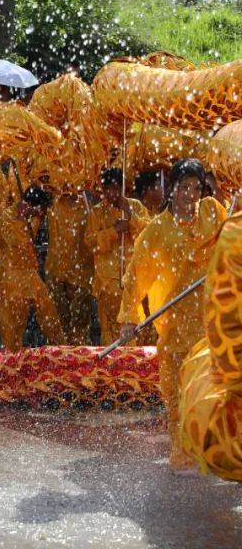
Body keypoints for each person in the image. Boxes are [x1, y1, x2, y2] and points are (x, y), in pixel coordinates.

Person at [117, 159, 226, 470]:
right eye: (184, 187)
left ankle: (218, 452)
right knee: (178, 397)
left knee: (215, 391)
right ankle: (183, 456)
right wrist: (129, 318)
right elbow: (136, 277)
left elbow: (232, 236)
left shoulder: (212, 212)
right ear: (172, 189)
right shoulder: (157, 231)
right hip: (176, 327)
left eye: (197, 188)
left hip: (212, 322)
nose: (191, 195)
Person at [0, 186, 66, 350]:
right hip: (11, 276)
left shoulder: (30, 218)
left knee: (48, 310)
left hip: (29, 273)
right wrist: (27, 218)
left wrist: (35, 217)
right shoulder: (6, 217)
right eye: (34, 209)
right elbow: (15, 242)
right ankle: (11, 355)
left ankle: (60, 347)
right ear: (26, 205)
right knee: (13, 322)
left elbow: (30, 238)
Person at [83, 169, 151, 344]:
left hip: (132, 278)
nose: (111, 193)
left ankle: (132, 360)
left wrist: (131, 217)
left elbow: (149, 235)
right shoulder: (97, 212)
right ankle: (111, 360)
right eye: (107, 189)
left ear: (122, 187)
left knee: (134, 326)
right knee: (110, 330)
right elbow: (90, 242)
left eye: (115, 188)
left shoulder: (135, 206)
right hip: (107, 281)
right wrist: (114, 231)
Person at [43, 191, 96, 344]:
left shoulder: (88, 207)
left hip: (82, 274)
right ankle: (57, 356)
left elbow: (93, 237)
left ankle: (79, 356)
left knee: (80, 324)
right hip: (56, 272)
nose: (67, 185)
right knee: (57, 324)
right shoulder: (52, 204)